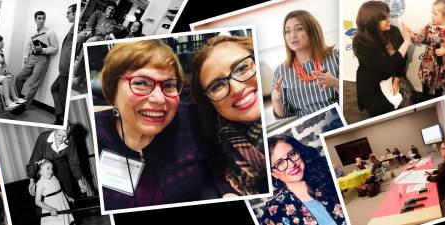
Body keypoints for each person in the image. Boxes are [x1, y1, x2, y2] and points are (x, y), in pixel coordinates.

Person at [96, 40, 220, 209]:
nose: (159, 99)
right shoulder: (95, 134)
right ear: (113, 91)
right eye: (140, 83)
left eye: (169, 85)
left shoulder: (192, 118)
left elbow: (219, 169)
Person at [191, 35, 268, 195]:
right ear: (209, 102)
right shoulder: (219, 147)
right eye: (217, 85)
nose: (237, 89)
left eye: (241, 68)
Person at [261, 136, 345, 225]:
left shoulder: (325, 180)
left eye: (292, 154)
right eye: (279, 163)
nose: (291, 164)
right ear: (273, 174)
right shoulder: (273, 212)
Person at [271, 10, 339, 118]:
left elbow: (353, 98)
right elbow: (285, 116)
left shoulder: (336, 57)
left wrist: (336, 83)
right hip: (307, 130)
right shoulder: (280, 71)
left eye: (299, 29)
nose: (292, 35)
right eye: (287, 31)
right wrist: (275, 100)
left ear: (312, 31)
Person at [353, 1, 412, 117]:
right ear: (372, 22)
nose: (389, 19)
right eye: (385, 18)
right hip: (371, 84)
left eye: (388, 15)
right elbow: (387, 66)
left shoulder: (394, 32)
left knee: (408, 104)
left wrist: (396, 81)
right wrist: (406, 41)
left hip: (393, 77)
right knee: (381, 114)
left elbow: (401, 60)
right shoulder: (361, 42)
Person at [27, 128, 87, 220]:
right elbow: (34, 160)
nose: (61, 139)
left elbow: (74, 162)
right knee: (50, 196)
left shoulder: (70, 140)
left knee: (67, 194)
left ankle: (69, 220)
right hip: (46, 167)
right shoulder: (43, 138)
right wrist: (32, 180)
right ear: (54, 131)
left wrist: (79, 181)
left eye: (64, 136)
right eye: (59, 135)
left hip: (62, 166)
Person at [410, 0, 445, 100]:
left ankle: (437, 100)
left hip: (443, 63)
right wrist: (413, 36)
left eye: (435, 14)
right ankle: (424, 97)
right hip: (428, 61)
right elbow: (421, 39)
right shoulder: (430, 26)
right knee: (426, 80)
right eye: (432, 13)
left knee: (441, 82)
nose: (432, 16)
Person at [13, 11, 58, 104]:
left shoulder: (50, 32)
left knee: (34, 84)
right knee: (19, 77)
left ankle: (23, 106)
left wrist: (43, 50)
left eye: (43, 18)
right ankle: (15, 100)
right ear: (35, 19)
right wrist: (26, 58)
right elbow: (28, 45)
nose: (42, 21)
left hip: (42, 59)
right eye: (39, 18)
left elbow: (54, 48)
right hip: (32, 57)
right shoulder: (33, 31)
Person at [51, 4, 76, 125]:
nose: (67, 14)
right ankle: (60, 115)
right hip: (65, 66)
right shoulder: (73, 27)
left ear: (75, 14)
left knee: (62, 94)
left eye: (69, 12)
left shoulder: (75, 28)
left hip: (66, 67)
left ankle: (61, 119)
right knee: (54, 89)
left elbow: (72, 48)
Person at [34, 159, 74, 225]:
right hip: (52, 207)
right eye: (48, 168)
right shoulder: (40, 183)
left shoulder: (54, 177)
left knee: (66, 222)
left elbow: (60, 190)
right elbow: (37, 201)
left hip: (62, 204)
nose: (51, 171)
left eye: (52, 168)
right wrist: (51, 209)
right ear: (40, 172)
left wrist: (68, 198)